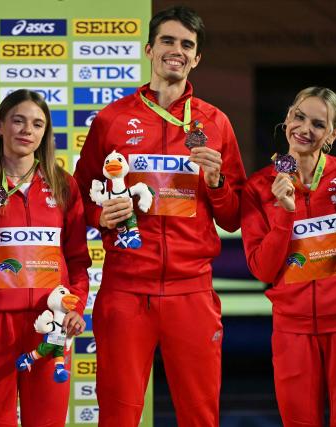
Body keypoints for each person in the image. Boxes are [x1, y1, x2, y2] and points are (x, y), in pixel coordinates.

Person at [73, 6, 246, 426]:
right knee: (118, 416)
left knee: (200, 416)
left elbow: (234, 216)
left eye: (187, 45)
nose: (177, 51)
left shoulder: (215, 123)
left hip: (192, 292)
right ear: (150, 49)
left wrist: (217, 181)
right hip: (126, 290)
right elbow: (79, 199)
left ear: (197, 58)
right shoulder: (112, 119)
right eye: (168, 41)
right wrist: (102, 215)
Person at [241, 87, 336, 426]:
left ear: (332, 134)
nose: (304, 129)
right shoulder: (259, 187)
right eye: (298, 117)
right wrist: (284, 213)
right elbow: (263, 268)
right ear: (287, 119)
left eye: (317, 123)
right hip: (292, 329)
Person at [0, 89, 91, 427]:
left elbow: (78, 262)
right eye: (19, 121)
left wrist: (76, 308)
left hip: (49, 323)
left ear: (45, 134)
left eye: (38, 124)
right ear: (0, 126)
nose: (28, 130)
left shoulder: (64, 186)